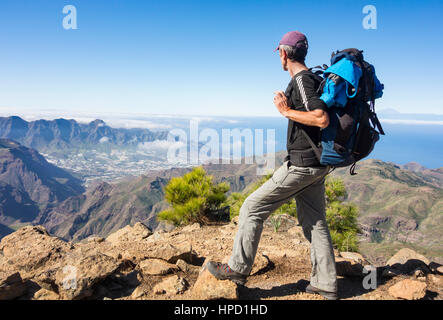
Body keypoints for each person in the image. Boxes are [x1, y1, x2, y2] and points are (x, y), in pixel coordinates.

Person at [206, 31, 338, 300]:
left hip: (302, 167)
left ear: (284, 54)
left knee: (252, 208)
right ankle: (325, 283)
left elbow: (321, 118)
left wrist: (285, 111)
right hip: (317, 166)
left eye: (279, 52)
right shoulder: (310, 80)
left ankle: (237, 268)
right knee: (315, 222)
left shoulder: (302, 80)